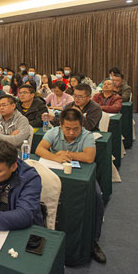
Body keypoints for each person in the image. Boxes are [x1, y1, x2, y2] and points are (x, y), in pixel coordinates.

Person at [35, 108, 106, 263]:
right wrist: (55, 157)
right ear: (61, 125)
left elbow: (89, 157)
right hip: (55, 173)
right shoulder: (54, 132)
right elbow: (39, 149)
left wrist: (67, 154)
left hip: (83, 176)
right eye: (67, 128)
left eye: (76, 129)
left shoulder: (87, 135)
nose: (71, 132)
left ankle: (93, 241)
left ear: (81, 126)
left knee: (97, 197)